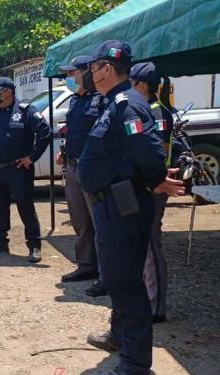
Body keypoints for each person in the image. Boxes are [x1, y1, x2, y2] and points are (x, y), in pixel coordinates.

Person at [79, 41, 184, 375]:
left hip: (122, 206)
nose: (90, 74)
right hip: (109, 205)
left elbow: (149, 152)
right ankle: (119, 336)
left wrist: (154, 179)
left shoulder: (127, 106)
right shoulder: (112, 102)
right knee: (116, 276)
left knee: (127, 284)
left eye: (94, 68)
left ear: (107, 69)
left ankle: (135, 365)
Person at [0, 77, 51, 263]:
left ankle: (34, 245)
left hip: (18, 170)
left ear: (8, 91)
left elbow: (45, 132)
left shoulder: (25, 111)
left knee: (25, 207)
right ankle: (0, 242)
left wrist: (32, 157)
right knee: (0, 208)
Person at [130, 62, 175, 323]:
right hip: (143, 184)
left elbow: (158, 152)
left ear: (141, 86)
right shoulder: (145, 109)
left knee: (150, 244)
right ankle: (146, 297)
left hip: (154, 186)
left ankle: (156, 306)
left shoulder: (156, 112)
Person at [56, 56, 103, 283]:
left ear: (86, 73)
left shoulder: (101, 99)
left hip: (93, 169)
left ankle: (106, 274)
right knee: (80, 221)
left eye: (71, 73)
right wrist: (64, 151)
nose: (68, 78)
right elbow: (75, 131)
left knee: (100, 221)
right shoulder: (76, 101)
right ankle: (86, 266)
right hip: (73, 166)